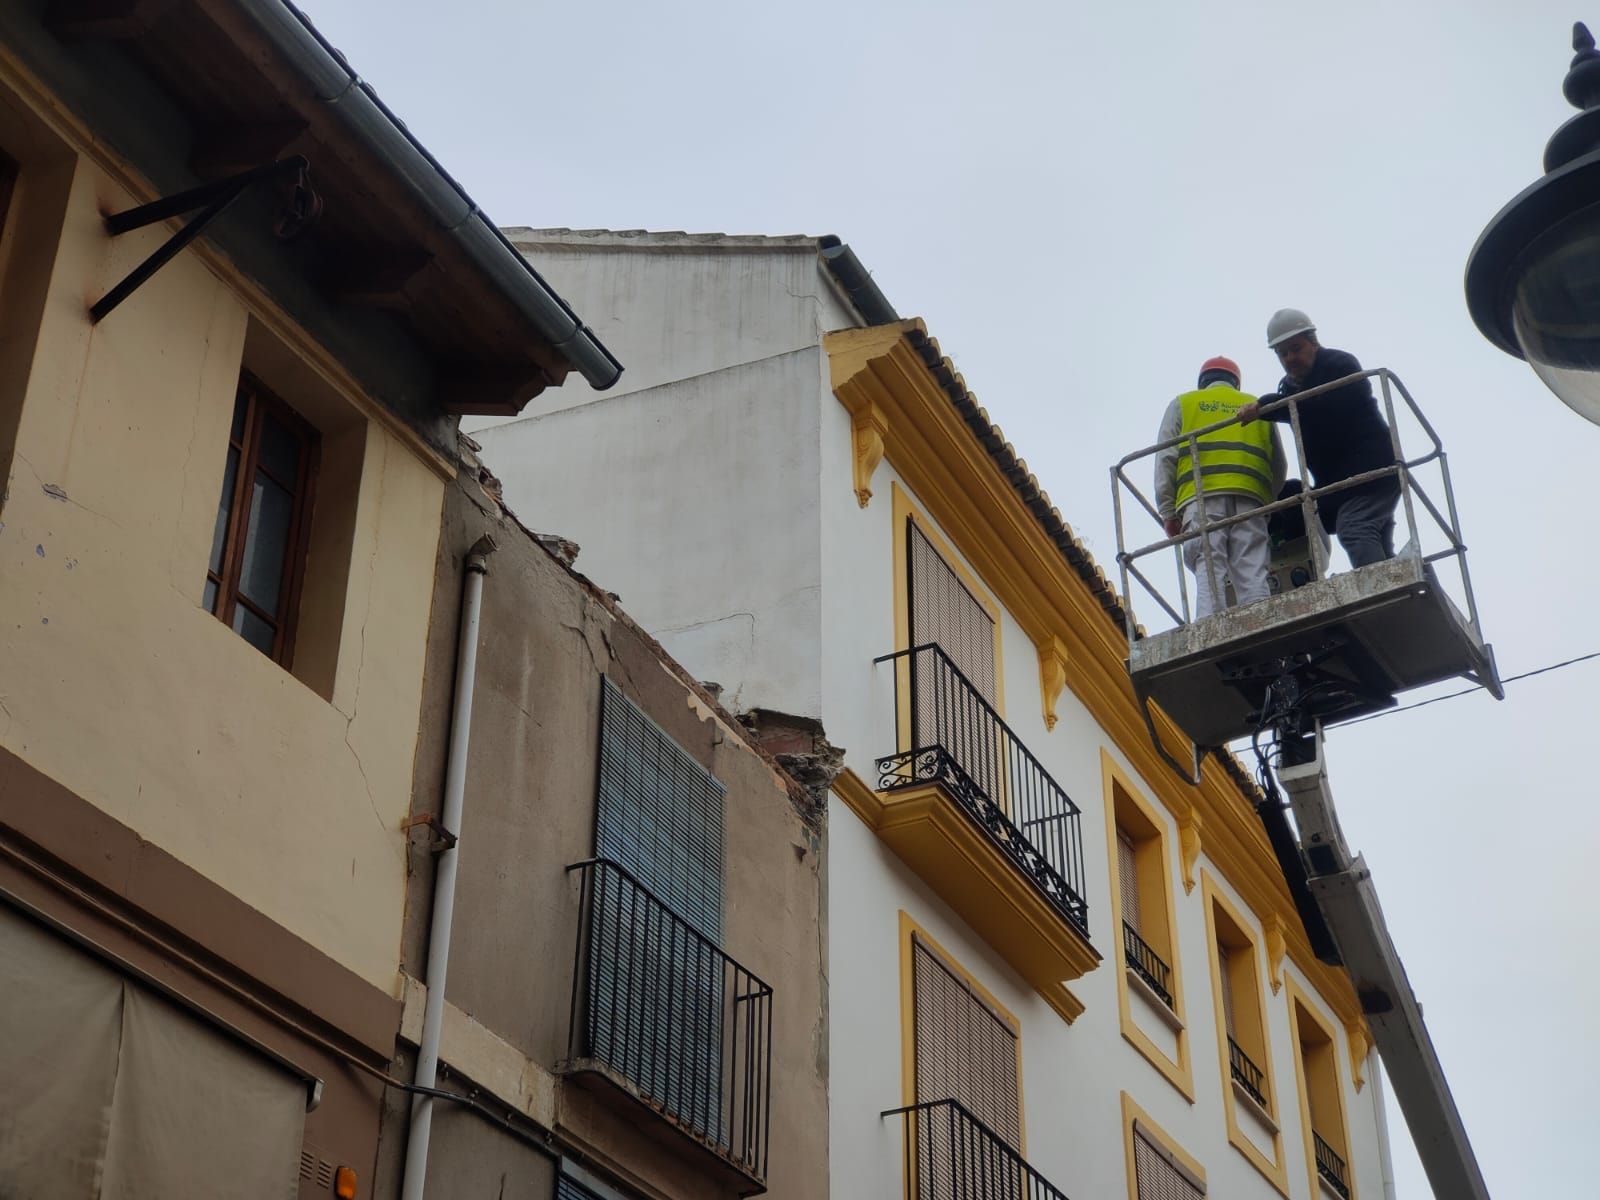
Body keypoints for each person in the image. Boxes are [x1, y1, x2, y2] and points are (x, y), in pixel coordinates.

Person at [1239, 309, 1399, 568]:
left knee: (1355, 527)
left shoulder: (1339, 365)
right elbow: (1298, 405)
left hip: (1371, 474)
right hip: (1336, 485)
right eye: (1282, 353)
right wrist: (1265, 406)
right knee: (1290, 501)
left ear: (1313, 342)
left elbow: (1318, 407)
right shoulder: (1290, 387)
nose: (1290, 358)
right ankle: (1297, 570)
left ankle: (1380, 586)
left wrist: (1266, 406)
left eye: (1296, 348)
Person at [1155, 356, 1286, 619]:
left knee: (1209, 566)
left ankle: (1209, 629)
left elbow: (1165, 459)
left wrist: (1168, 513)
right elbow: (1279, 465)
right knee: (1251, 567)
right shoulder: (1257, 406)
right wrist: (1266, 500)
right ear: (1235, 383)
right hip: (1251, 498)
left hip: (1201, 499)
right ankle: (1260, 623)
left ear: (1203, 382)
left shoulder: (1184, 403)